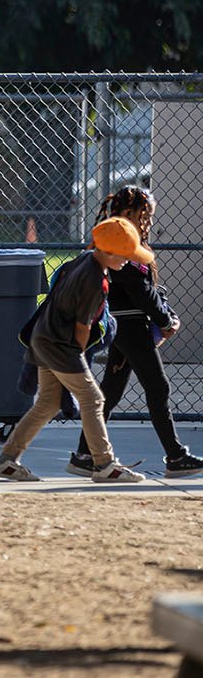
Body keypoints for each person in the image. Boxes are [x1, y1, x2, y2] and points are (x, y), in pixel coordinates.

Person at [0, 216, 151, 483]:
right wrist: (78, 357)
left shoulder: (84, 260)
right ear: (107, 252)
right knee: (93, 399)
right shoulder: (94, 281)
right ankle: (105, 464)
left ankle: (5, 461)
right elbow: (82, 327)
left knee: (48, 403)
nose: (128, 260)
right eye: (124, 255)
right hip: (60, 345)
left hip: (44, 338)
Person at [69, 187, 200, 479]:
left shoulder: (113, 236)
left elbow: (144, 289)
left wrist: (161, 314)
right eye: (146, 216)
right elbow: (140, 290)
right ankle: (176, 457)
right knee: (158, 387)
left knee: (111, 392)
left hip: (123, 324)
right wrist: (165, 320)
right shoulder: (120, 240)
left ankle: (84, 455)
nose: (149, 223)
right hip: (129, 324)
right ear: (128, 213)